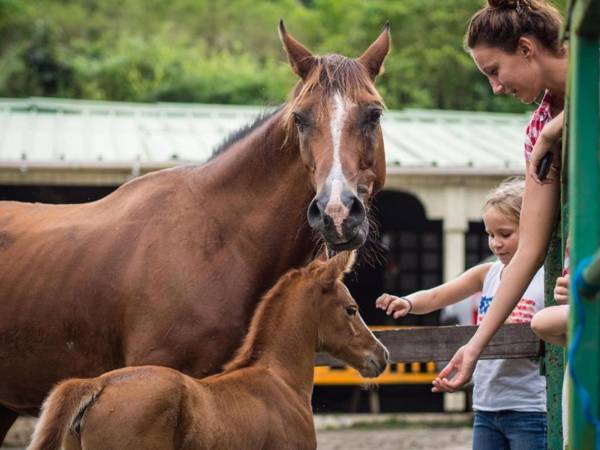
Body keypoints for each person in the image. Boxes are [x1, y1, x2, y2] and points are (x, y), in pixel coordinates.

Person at [432, 0, 568, 394]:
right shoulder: (536, 129)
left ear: (526, 49)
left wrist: (555, 132)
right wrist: (474, 347)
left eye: (495, 71)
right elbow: (528, 249)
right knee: (546, 322)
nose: (495, 87)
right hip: (585, 275)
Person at [376, 178, 547, 450]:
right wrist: (407, 302)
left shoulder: (546, 280)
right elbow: (437, 295)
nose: (496, 244)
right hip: (487, 405)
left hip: (532, 407)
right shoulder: (488, 273)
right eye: (490, 235)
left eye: (505, 234)